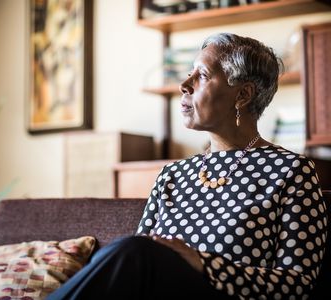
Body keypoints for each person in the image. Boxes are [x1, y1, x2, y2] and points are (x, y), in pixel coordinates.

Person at [47, 33, 328, 300]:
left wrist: (203, 263)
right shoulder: (172, 174)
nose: (185, 84)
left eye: (202, 75)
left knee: (135, 251)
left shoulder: (291, 170)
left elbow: (297, 284)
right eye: (189, 73)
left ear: (242, 95)